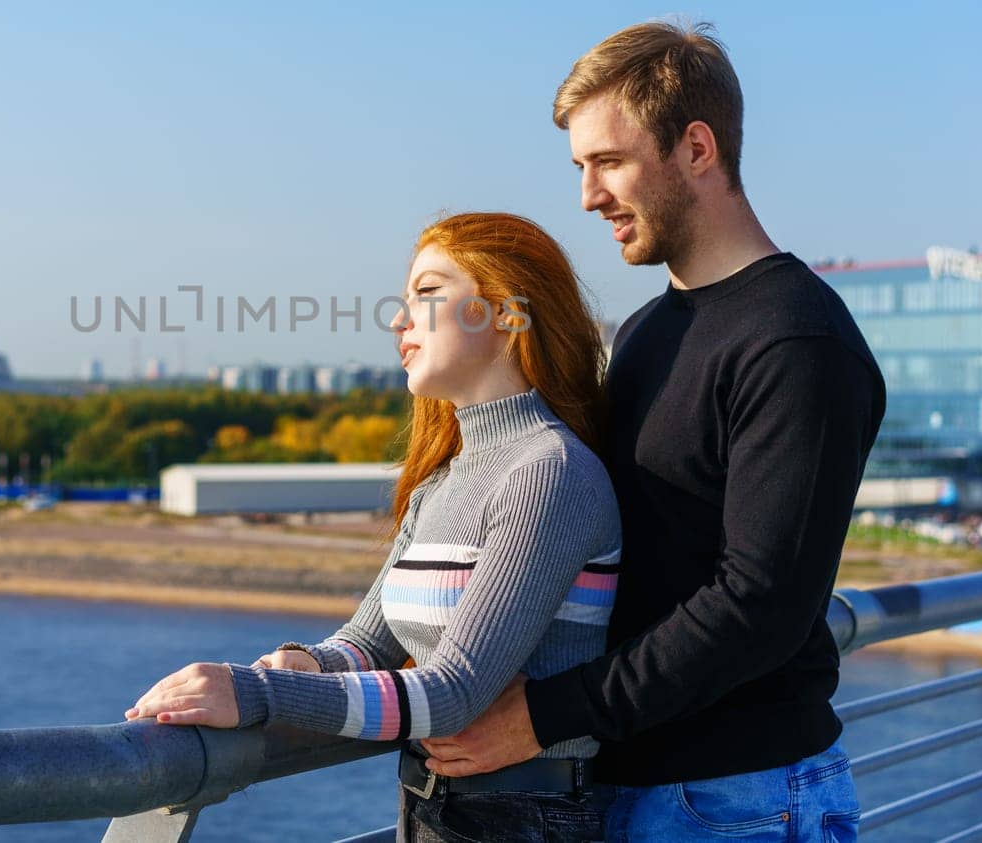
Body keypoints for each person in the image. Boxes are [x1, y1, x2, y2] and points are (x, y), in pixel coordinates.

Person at [419, 21, 886, 841]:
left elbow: (762, 604)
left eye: (609, 162)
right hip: (628, 787)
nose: (588, 196)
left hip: (738, 798)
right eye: (580, 168)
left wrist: (544, 713)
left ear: (697, 148)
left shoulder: (795, 339)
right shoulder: (641, 333)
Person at [127, 211, 622, 842]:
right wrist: (295, 665)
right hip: (431, 809)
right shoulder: (443, 481)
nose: (398, 319)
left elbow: (452, 693)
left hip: (521, 817)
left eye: (427, 293)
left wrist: (253, 694)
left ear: (504, 312)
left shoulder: (549, 472)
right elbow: (368, 647)